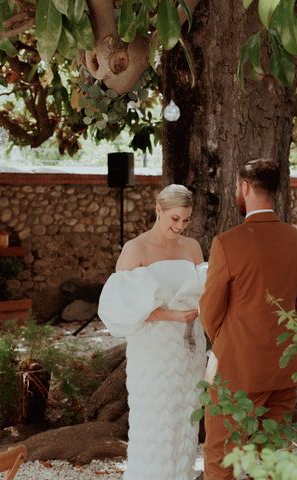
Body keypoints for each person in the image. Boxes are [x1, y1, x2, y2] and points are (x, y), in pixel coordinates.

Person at [199, 158, 297, 480]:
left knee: (222, 457)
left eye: (238, 186)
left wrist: (224, 345)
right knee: (273, 458)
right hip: (284, 368)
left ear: (245, 187)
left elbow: (210, 309)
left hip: (238, 370)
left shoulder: (227, 243)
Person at [98, 184, 206, 480]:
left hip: (190, 346)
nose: (180, 226)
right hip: (153, 347)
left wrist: (200, 308)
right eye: (174, 219)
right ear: (158, 210)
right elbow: (124, 306)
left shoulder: (192, 247)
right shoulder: (136, 249)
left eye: (186, 220)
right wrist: (173, 314)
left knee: (185, 418)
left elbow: (203, 290)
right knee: (155, 419)